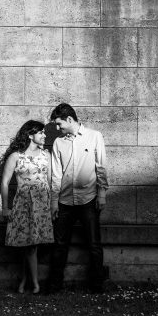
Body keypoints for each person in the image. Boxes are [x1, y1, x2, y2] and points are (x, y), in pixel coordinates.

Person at [45, 103, 108, 294]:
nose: (57, 128)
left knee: (94, 244)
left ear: (69, 119)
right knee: (59, 245)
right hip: (64, 202)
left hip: (88, 199)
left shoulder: (94, 136)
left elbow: (101, 167)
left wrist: (102, 194)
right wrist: (54, 201)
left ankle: (97, 285)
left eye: (59, 124)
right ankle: (54, 285)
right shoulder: (58, 143)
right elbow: (55, 174)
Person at [0, 120, 53, 294]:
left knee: (32, 244)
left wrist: (53, 205)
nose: (44, 135)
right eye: (41, 132)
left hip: (41, 204)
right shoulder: (16, 156)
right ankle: (34, 284)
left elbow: (52, 182)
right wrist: (5, 207)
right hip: (23, 204)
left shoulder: (47, 155)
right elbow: (5, 182)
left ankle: (25, 281)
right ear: (31, 135)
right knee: (28, 244)